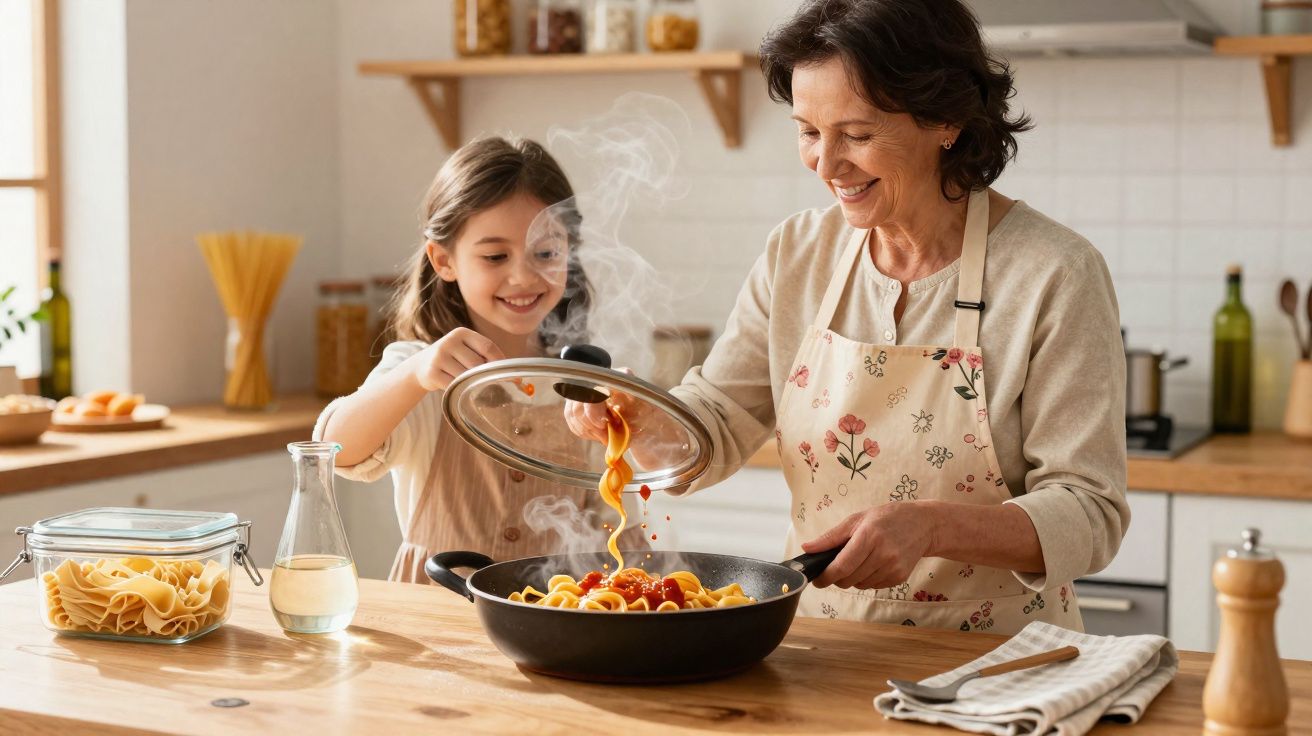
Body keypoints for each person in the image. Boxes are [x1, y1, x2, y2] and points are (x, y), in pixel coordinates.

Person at [569, 0, 1128, 633]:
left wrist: (931, 526)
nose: (826, 164)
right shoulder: (797, 254)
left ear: (945, 119)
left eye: (857, 136)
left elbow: (1090, 513)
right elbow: (717, 425)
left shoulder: (1054, 272)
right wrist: (639, 418)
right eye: (809, 131)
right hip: (822, 647)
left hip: (1000, 661)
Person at [315, 136, 640, 583]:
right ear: (443, 260)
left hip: (552, 613)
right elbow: (335, 451)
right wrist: (414, 376)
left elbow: (622, 536)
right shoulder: (419, 371)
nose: (523, 276)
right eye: (495, 256)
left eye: (546, 253)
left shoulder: (583, 385)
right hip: (432, 610)